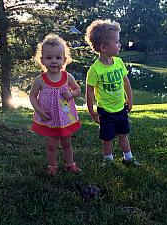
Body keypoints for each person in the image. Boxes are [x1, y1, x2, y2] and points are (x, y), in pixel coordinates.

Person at [85, 19, 141, 167]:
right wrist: (91, 111)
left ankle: (128, 158)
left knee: (123, 134)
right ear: (103, 47)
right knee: (107, 137)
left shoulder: (119, 62)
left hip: (121, 108)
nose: (119, 45)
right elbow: (89, 92)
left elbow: (125, 81)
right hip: (106, 111)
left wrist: (130, 99)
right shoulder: (95, 70)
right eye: (116, 42)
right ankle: (108, 159)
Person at [30, 34, 81, 175]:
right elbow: (33, 96)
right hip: (49, 117)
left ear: (64, 60)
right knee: (52, 144)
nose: (54, 61)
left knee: (66, 143)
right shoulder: (40, 79)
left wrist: (71, 94)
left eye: (58, 58)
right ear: (42, 60)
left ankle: (70, 164)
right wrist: (38, 110)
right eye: (49, 58)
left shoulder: (67, 77)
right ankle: (53, 166)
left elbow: (78, 90)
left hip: (64, 118)